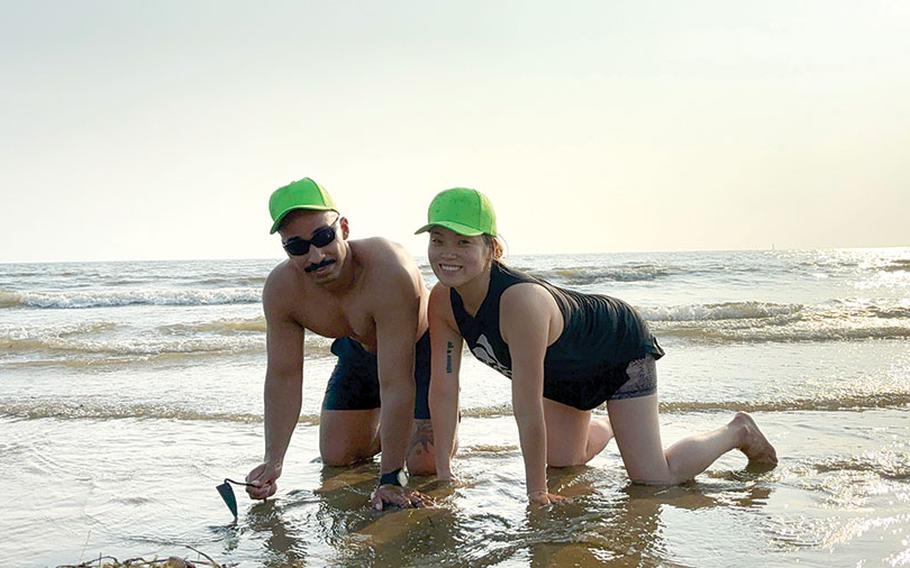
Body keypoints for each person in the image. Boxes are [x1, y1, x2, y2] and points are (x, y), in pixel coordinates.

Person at [417, 187, 777, 506]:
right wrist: (446, 475)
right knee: (562, 460)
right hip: (564, 377)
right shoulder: (443, 301)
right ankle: (613, 422)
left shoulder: (519, 302)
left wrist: (536, 495)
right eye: (438, 239)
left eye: (463, 242)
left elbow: (526, 408)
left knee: (654, 478)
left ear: (492, 248)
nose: (448, 253)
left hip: (616, 349)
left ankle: (737, 431)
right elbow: (445, 388)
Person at [245, 177, 435, 510]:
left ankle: (419, 437)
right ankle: (398, 436)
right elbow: (283, 376)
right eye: (297, 246)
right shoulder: (282, 290)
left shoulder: (389, 270)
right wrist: (273, 461)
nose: (316, 255)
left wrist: (391, 477)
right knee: (337, 456)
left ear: (343, 227)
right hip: (358, 349)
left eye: (323, 237)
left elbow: (396, 381)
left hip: (418, 349)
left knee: (423, 465)